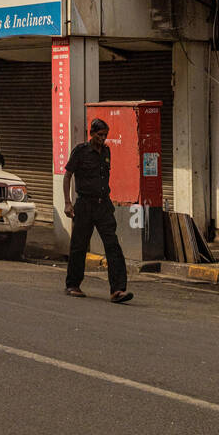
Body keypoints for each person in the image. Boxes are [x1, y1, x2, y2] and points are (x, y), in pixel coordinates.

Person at [63, 118, 133, 303]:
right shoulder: (81, 151)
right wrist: (68, 203)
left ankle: (117, 290)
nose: (103, 138)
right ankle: (73, 284)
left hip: (103, 206)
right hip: (85, 205)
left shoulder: (107, 152)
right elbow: (68, 175)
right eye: (100, 135)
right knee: (79, 246)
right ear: (91, 134)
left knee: (113, 246)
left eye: (105, 135)